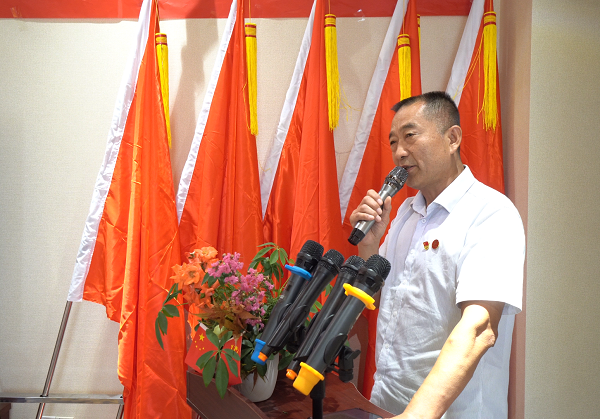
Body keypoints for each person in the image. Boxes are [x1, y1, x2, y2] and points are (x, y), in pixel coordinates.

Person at [349, 91, 525, 419]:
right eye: (393, 142)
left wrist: (417, 415)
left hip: (449, 412)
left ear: (452, 138)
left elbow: (480, 327)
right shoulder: (405, 212)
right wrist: (369, 246)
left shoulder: (491, 213)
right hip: (387, 402)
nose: (400, 152)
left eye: (410, 136)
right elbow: (379, 296)